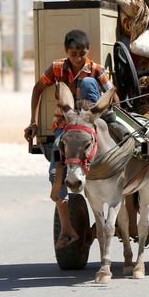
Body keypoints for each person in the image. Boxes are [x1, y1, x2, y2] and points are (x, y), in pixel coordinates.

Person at [24, 29, 118, 250]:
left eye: (82, 53)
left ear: (87, 52)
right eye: (74, 53)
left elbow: (112, 96)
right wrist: (33, 121)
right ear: (66, 51)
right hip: (64, 127)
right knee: (57, 172)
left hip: (90, 126)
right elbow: (38, 89)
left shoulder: (96, 70)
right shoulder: (57, 67)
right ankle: (67, 228)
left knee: (87, 85)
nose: (78, 58)